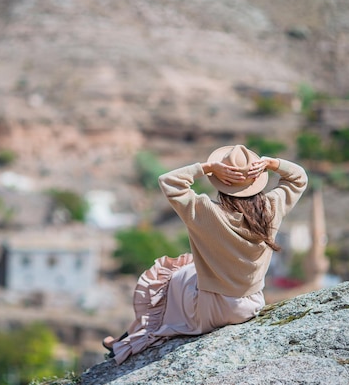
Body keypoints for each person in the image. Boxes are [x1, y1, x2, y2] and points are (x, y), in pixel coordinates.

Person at [102, 145, 308, 364]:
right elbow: (299, 178)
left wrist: (207, 167)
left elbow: (168, 181)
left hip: (211, 311)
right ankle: (125, 338)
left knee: (169, 276)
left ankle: (127, 339)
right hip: (251, 305)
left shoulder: (205, 211)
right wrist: (271, 163)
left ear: (221, 181)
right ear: (257, 179)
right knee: (188, 268)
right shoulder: (272, 207)